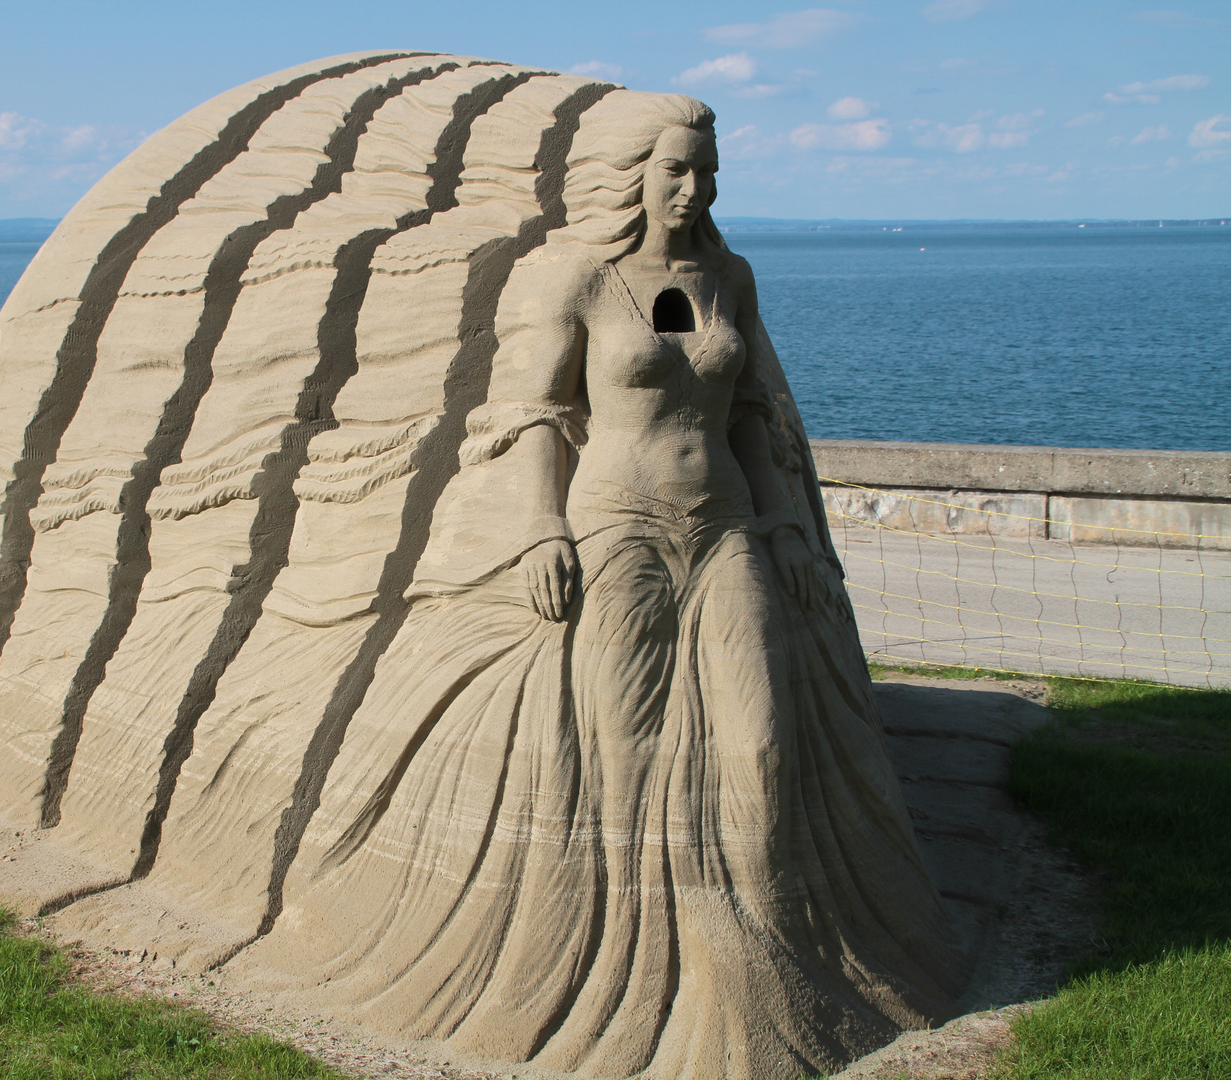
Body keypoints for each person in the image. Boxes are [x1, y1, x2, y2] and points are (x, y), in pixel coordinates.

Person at [242, 91, 965, 1080]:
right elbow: (539, 412)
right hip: (616, 528)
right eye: (675, 168)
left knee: (760, 746)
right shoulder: (584, 279)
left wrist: (787, 523)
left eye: (706, 172)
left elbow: (750, 410)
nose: (692, 187)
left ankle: (756, 990)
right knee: (621, 753)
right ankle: (628, 990)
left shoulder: (729, 278)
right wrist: (541, 527)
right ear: (634, 176)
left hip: (722, 531)